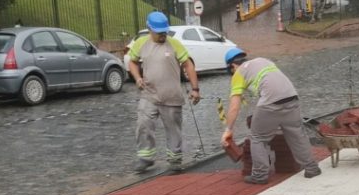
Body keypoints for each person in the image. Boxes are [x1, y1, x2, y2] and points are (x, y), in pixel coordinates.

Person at [220, 48, 321, 184]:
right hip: (291, 97)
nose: (232, 73)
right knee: (297, 134)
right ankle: (312, 168)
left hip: (270, 102)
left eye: (231, 70)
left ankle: (259, 175)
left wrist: (228, 129)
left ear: (232, 65)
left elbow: (234, 107)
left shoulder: (238, 73)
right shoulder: (263, 60)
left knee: (257, 138)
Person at [127, 10, 200, 174]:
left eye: (164, 32)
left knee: (173, 129)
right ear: (149, 29)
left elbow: (188, 65)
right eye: (159, 32)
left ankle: (175, 159)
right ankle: (145, 157)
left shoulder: (174, 44)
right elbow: (132, 62)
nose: (163, 35)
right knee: (143, 124)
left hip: (171, 95)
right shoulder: (141, 43)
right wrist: (137, 78)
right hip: (149, 94)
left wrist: (195, 89)